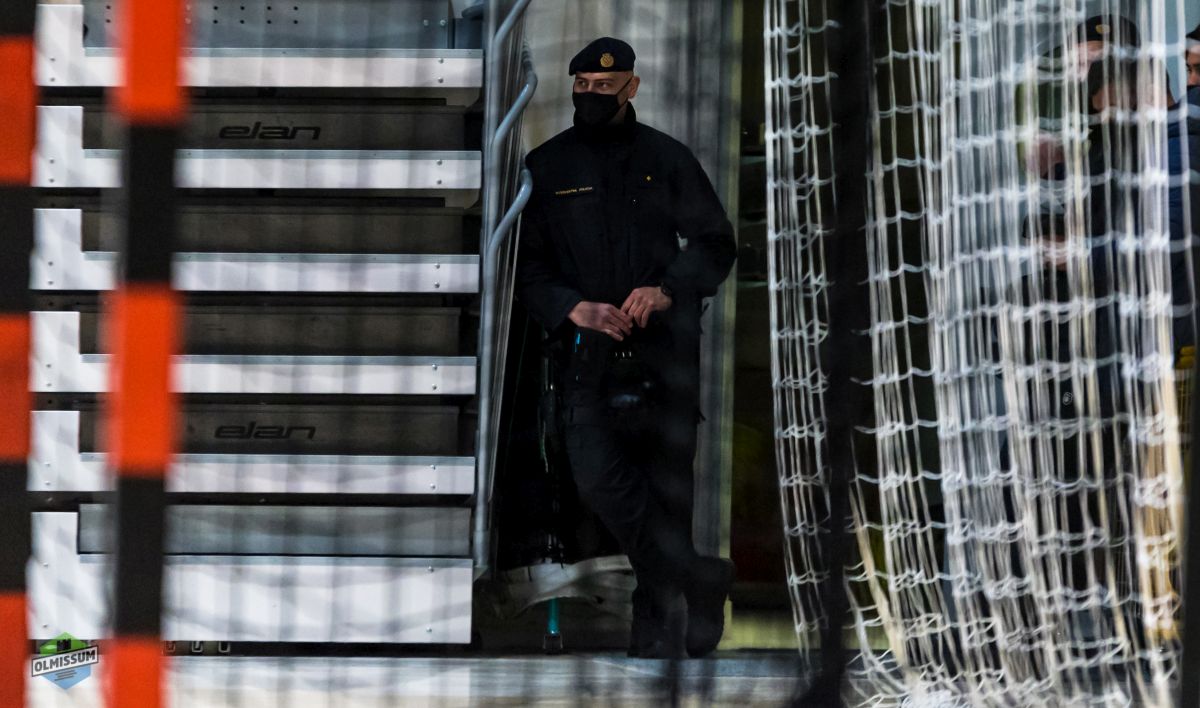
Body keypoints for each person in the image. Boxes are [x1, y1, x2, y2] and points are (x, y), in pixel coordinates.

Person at [516, 37, 738, 658]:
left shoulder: (667, 158)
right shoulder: (549, 165)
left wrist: (668, 290)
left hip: (663, 357)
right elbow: (526, 266)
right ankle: (698, 575)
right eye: (581, 86)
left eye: (603, 87)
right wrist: (572, 307)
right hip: (585, 357)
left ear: (631, 88)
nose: (590, 96)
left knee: (666, 490)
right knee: (597, 480)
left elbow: (716, 244)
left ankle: (655, 622)